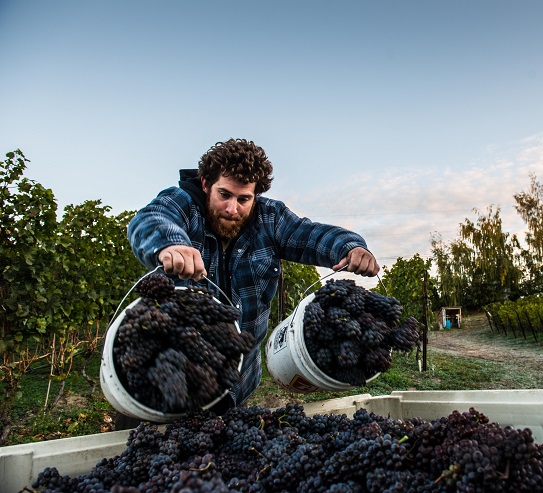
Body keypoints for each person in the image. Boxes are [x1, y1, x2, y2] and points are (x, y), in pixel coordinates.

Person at [123, 138, 379, 424]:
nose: (232, 208)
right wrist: (170, 245)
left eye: (244, 199)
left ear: (255, 195)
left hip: (234, 382)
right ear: (206, 183)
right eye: (224, 195)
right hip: (168, 380)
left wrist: (351, 246)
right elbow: (151, 219)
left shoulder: (269, 220)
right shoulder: (182, 204)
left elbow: (310, 235)